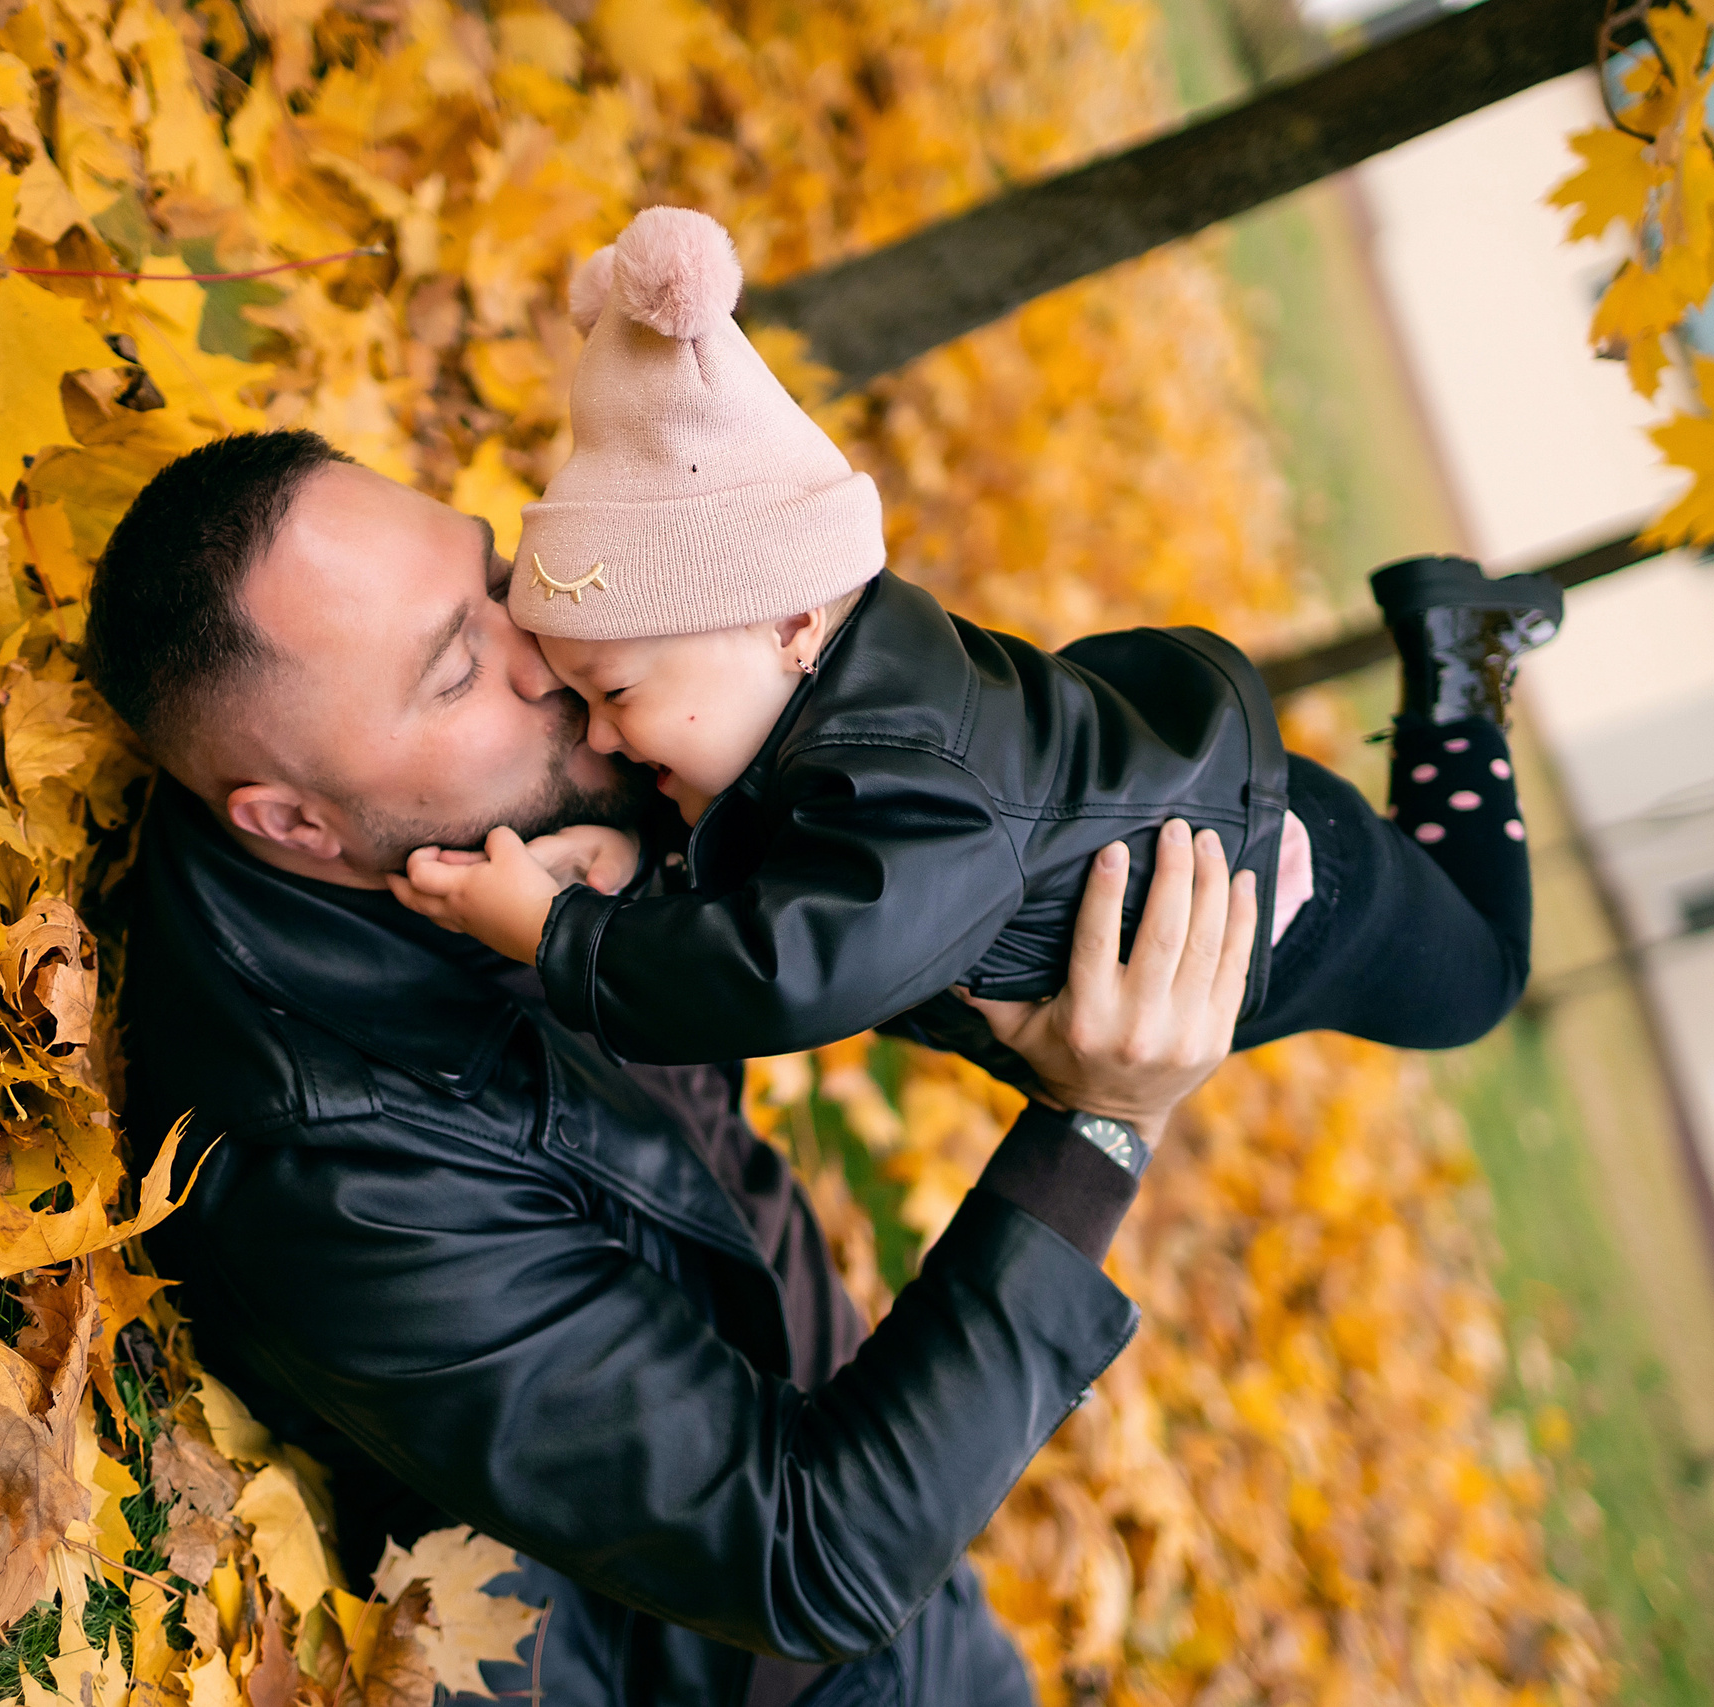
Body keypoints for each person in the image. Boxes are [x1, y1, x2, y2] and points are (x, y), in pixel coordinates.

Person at [88, 428, 1265, 1707]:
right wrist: (1093, 1130)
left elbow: (844, 924)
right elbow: (815, 1562)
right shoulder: (340, 1172)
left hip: (890, 1468)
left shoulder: (508, 829)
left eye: (494, 578)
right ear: (291, 820)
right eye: (455, 671)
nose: (544, 645)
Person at [387, 208, 1559, 1085]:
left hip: (1307, 901)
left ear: (795, 622)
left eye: (617, 691)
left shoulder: (914, 778)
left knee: (1480, 983)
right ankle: (1460, 661)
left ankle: (1458, 681)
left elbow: (791, 968)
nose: (595, 730)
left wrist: (561, 938)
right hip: (1200, 813)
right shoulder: (820, 703)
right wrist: (644, 874)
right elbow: (778, 865)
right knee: (1465, 929)